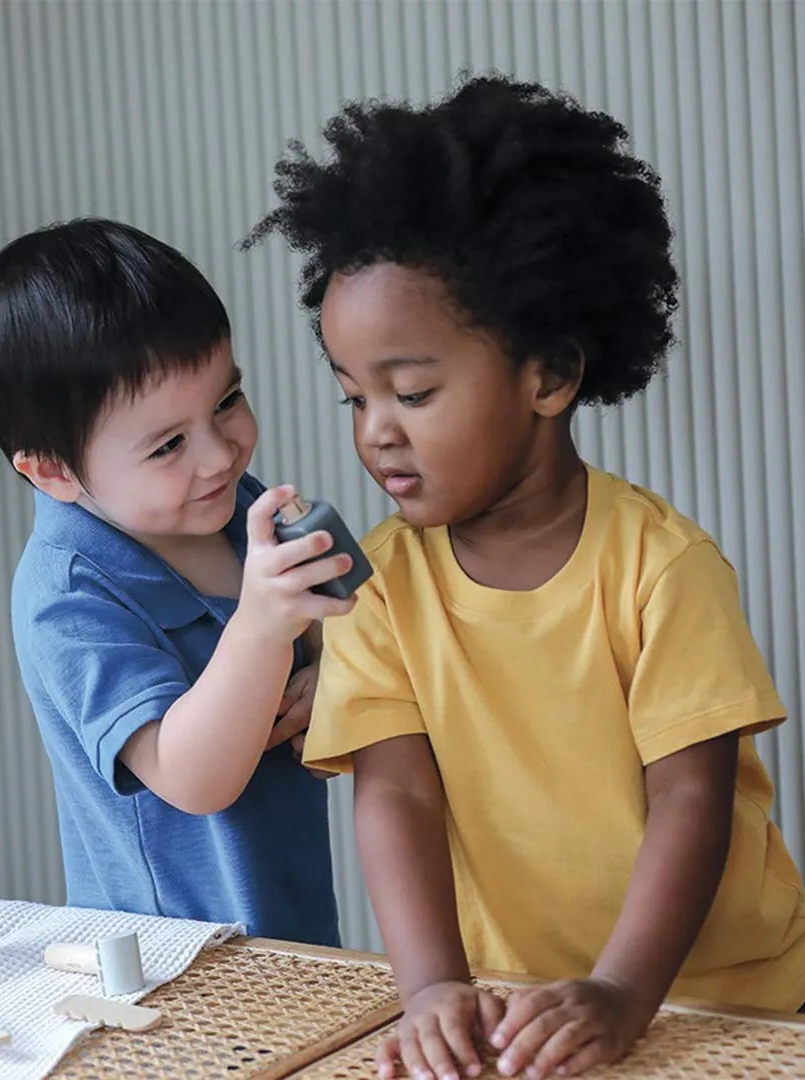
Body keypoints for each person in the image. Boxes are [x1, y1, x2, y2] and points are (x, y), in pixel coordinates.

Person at [245, 75, 805, 1078]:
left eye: (413, 390)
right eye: (354, 398)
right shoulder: (378, 586)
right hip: (516, 1004)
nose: (378, 430)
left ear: (548, 375)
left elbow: (692, 801)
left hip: (729, 1000)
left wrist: (626, 994)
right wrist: (430, 991)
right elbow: (398, 797)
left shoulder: (661, 569)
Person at [0, 217, 353, 945]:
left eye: (227, 402)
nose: (219, 455)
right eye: (169, 444)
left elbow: (343, 632)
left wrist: (329, 673)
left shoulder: (231, 507)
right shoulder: (67, 595)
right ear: (52, 470)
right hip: (166, 963)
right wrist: (263, 627)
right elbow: (193, 778)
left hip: (289, 930)